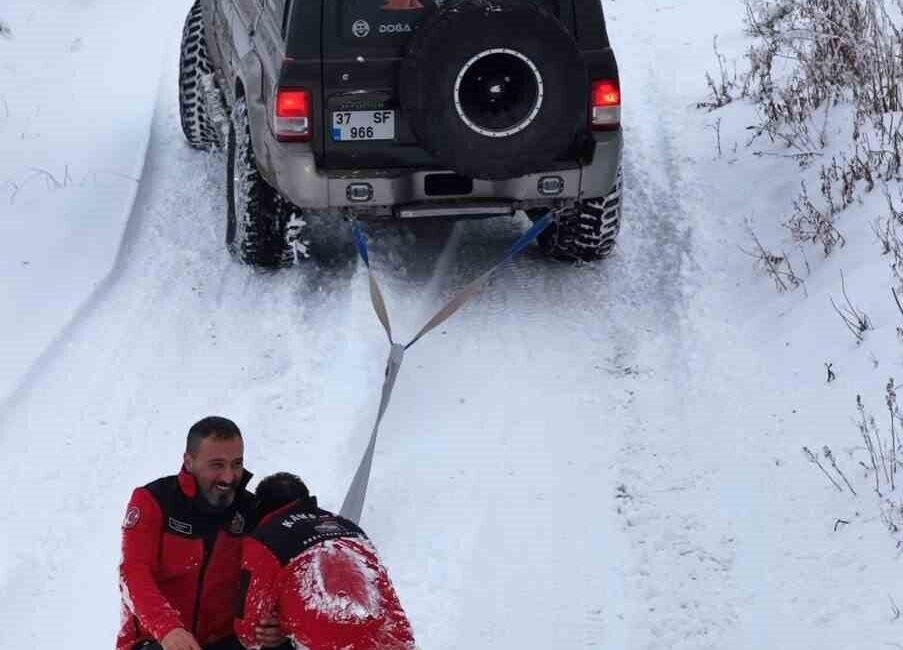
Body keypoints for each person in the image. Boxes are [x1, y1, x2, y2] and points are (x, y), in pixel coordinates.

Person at [117, 416, 287, 650]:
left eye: (236, 463)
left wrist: (277, 624)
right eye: (217, 465)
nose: (229, 476)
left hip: (227, 641)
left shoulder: (251, 510)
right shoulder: (154, 501)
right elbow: (133, 573)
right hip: (156, 640)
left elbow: (276, 576)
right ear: (189, 461)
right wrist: (168, 629)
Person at [235, 473, 416, 650]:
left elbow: (249, 632)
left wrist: (283, 625)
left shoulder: (266, 538)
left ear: (260, 508)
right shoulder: (351, 529)